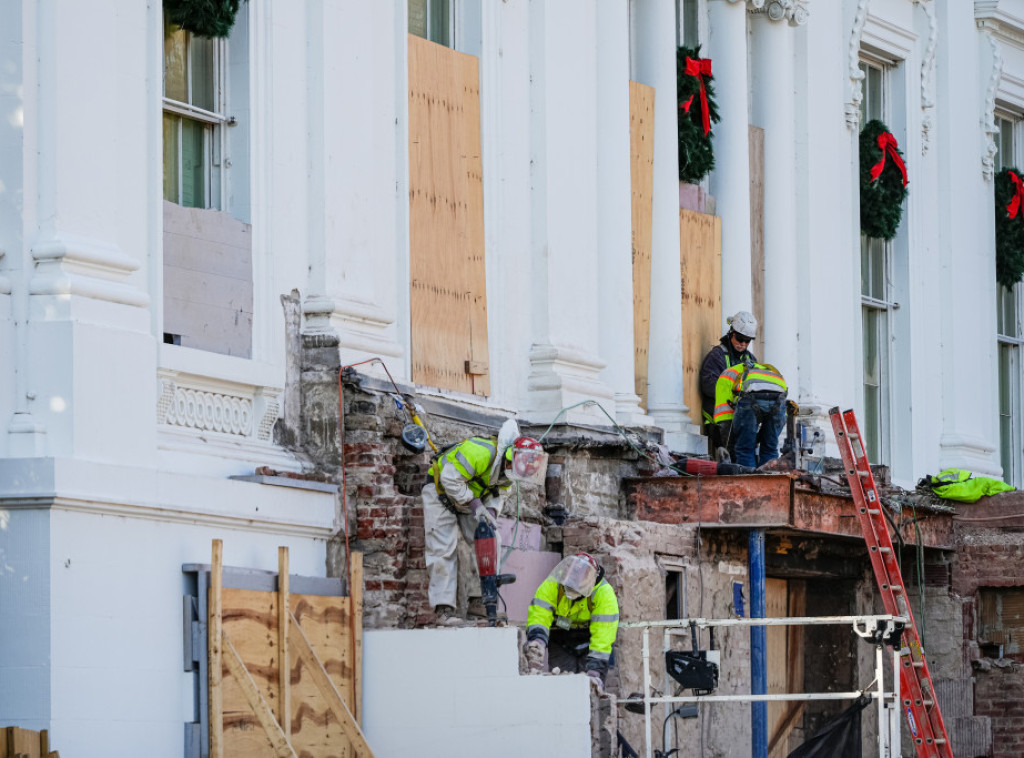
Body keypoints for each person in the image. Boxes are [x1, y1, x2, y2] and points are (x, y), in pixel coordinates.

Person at [422, 418, 547, 625]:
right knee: (443, 547)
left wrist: (489, 513)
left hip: (470, 499)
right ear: (509, 458)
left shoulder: (509, 471)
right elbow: (449, 479)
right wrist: (475, 506)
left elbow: (500, 494)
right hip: (440, 491)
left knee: (490, 539)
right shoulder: (480, 453)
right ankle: (443, 609)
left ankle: (479, 600)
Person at [523, 553, 620, 692]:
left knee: (590, 691)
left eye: (576, 588)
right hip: (561, 639)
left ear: (589, 582)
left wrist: (595, 672)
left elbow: (603, 635)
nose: (571, 590)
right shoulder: (553, 583)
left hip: (590, 642)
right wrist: (537, 640)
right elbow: (540, 613)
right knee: (560, 690)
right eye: (569, 586)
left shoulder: (604, 593)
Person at [699, 311, 758, 459]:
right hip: (720, 422)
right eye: (740, 338)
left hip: (743, 418)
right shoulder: (717, 356)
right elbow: (708, 385)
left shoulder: (751, 360)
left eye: (747, 341)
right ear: (731, 333)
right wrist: (735, 395)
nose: (743, 344)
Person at [713, 360, 787, 468]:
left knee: (745, 448)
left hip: (751, 397)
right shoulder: (769, 371)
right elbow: (780, 420)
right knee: (770, 448)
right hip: (779, 400)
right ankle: (768, 480)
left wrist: (732, 437)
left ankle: (749, 481)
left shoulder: (730, 375)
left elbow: (725, 411)